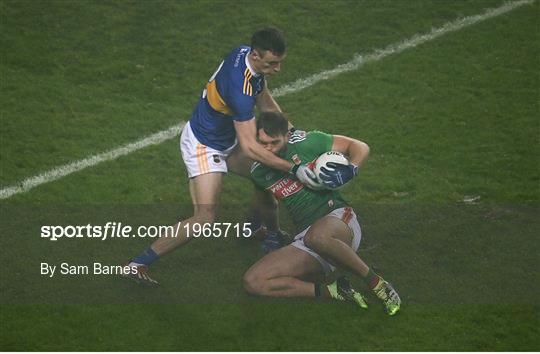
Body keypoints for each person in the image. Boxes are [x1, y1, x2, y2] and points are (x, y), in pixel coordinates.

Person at [124, 27, 320, 285]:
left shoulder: (243, 55)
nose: (277, 69)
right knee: (205, 217)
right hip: (205, 146)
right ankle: (137, 264)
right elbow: (250, 147)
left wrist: (293, 132)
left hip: (227, 137)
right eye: (273, 64)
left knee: (264, 175)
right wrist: (294, 169)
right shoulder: (239, 90)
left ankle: (257, 229)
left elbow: (266, 102)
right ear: (256, 55)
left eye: (280, 63)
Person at [243, 111, 401, 315]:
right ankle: (335, 291)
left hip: (339, 221)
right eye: (261, 143)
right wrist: (274, 232)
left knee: (317, 236)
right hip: (306, 240)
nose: (267, 149)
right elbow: (267, 204)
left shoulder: (308, 142)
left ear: (287, 136)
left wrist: (351, 169)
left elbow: (359, 146)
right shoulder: (258, 172)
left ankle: (378, 284)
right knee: (253, 281)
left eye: (273, 143)